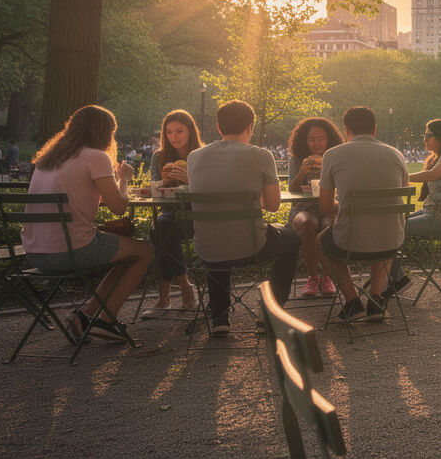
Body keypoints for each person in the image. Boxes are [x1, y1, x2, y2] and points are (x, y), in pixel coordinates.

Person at [21, 105, 153, 341]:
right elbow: (119, 207)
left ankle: (85, 316)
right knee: (144, 251)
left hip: (34, 252)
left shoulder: (49, 159)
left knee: (126, 255)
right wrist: (122, 179)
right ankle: (106, 320)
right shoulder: (95, 156)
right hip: (69, 250)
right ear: (105, 132)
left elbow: (86, 193)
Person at [185, 100, 301, 335]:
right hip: (251, 246)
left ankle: (219, 317)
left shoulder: (194, 157)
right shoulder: (261, 155)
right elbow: (273, 205)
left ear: (219, 128)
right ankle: (270, 314)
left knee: (218, 234)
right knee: (292, 240)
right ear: (250, 126)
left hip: (206, 247)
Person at [316, 107, 410, 322]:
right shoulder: (395, 154)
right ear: (375, 130)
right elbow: (404, 187)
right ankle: (375, 299)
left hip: (350, 241)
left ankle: (352, 301)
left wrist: (345, 205)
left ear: (346, 130)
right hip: (392, 240)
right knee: (383, 230)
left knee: (319, 243)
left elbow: (325, 207)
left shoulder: (333, 154)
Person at [141, 110, 201, 317]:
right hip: (170, 215)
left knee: (161, 228)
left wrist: (189, 181)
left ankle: (165, 297)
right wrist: (164, 183)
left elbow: (209, 193)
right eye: (169, 132)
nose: (174, 137)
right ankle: (183, 287)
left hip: (198, 217)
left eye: (179, 131)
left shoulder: (200, 155)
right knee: (163, 226)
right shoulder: (159, 157)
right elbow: (153, 194)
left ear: (190, 132)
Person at [285, 116, 343, 297]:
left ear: (329, 139)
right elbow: (292, 191)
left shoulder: (334, 158)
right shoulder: (296, 160)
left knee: (330, 225)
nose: (317, 143)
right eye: (312, 139)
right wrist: (303, 170)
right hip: (303, 208)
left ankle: (327, 277)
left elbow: (341, 187)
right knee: (307, 224)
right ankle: (312, 277)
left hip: (328, 207)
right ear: (304, 140)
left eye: (321, 139)